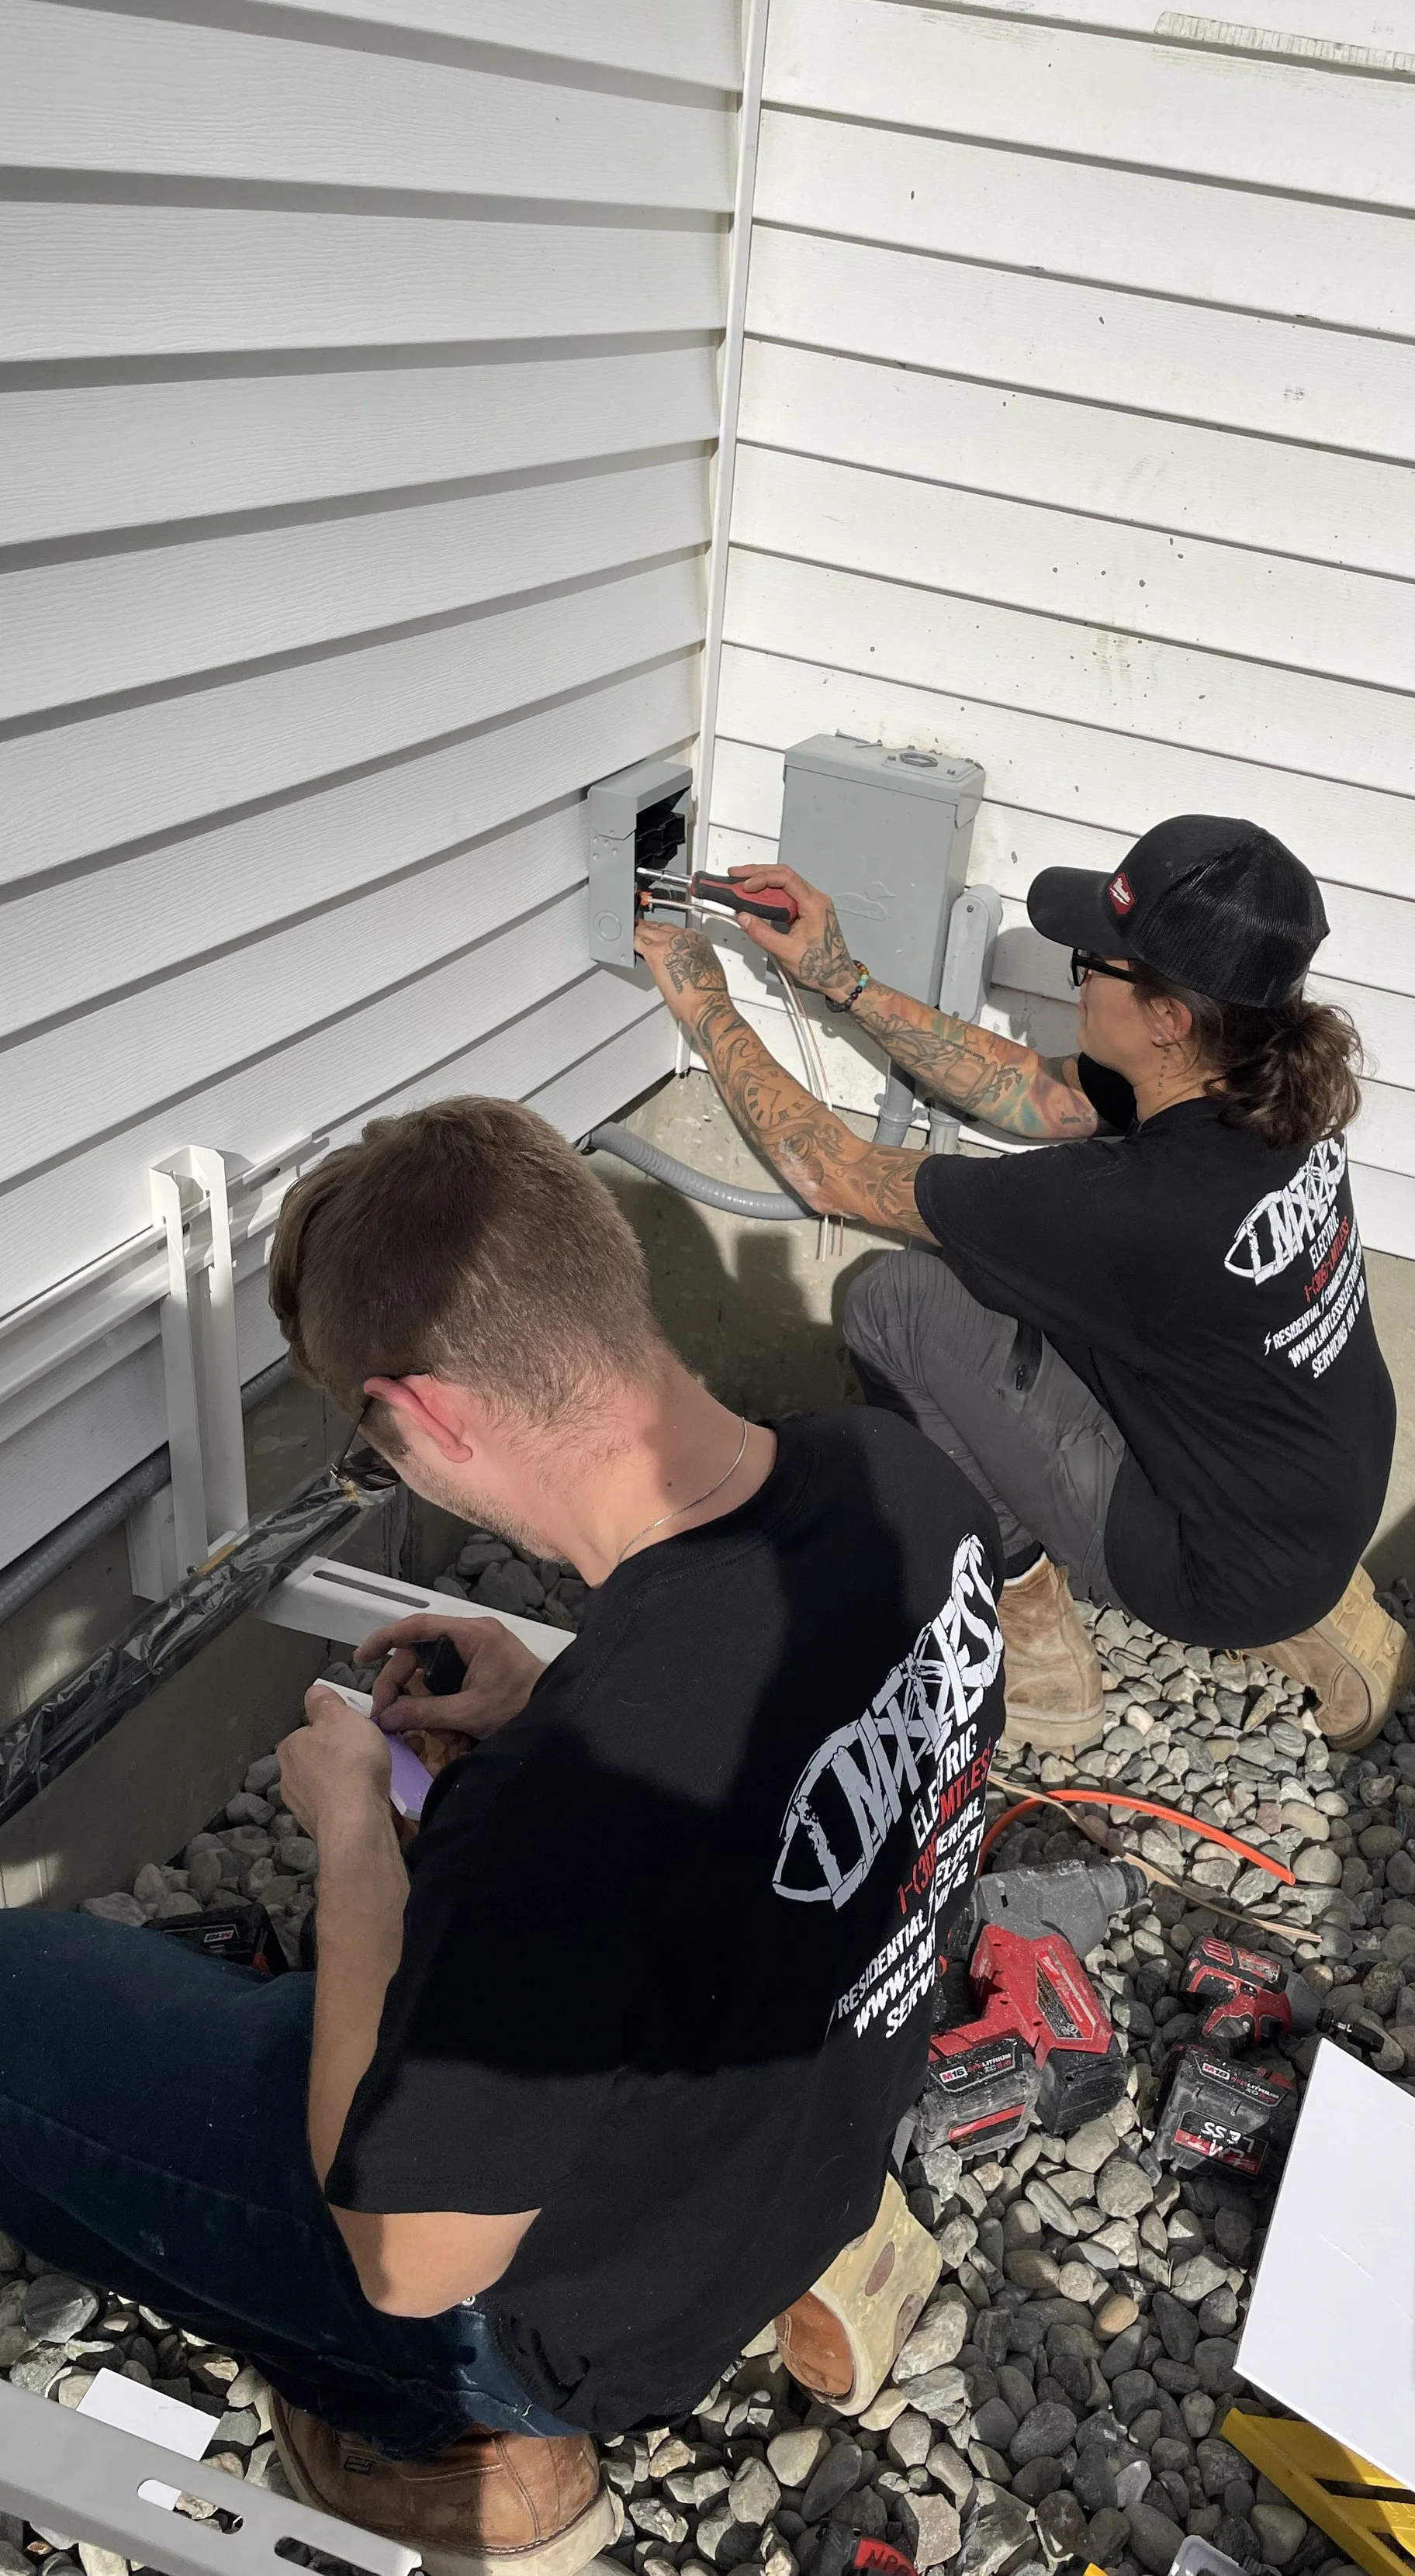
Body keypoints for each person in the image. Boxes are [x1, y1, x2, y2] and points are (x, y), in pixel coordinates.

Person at [0, 1098, 1003, 2575]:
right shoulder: (901, 1477)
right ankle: (839, 2262)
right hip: (802, 2156)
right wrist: (554, 1695)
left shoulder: (568, 1809)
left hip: (572, 2322)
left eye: (376, 1436)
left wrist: (357, 1840)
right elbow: (783, 1776)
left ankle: (457, 2446)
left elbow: (411, 2261)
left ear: (436, 1416)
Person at [631, 812, 1410, 1755]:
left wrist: (704, 1002)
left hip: (1217, 1567)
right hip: (1323, 1482)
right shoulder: (1268, 1093)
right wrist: (838, 977)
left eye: (1093, 964)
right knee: (1034, 1300)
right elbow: (1031, 1087)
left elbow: (826, 1169)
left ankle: (1037, 1654)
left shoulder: (1131, 1209)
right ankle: (1331, 1616)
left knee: (898, 1305)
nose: (1074, 975)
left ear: (1168, 1020)